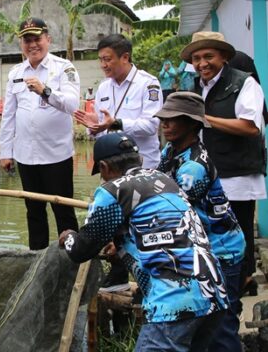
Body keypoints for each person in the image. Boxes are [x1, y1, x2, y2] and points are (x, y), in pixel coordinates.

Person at [59, 132, 227, 351]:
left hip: (175, 303)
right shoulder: (165, 180)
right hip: (214, 295)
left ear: (104, 167)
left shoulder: (113, 190)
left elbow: (82, 249)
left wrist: (69, 236)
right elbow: (161, 232)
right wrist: (119, 247)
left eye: (101, 173)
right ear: (139, 160)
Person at [155, 91, 245, 351]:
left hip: (221, 250)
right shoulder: (170, 150)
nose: (165, 124)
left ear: (193, 124)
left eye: (173, 119)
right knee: (204, 322)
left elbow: (172, 209)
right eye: (164, 118)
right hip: (201, 247)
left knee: (221, 327)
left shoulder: (193, 166)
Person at [73, 34, 163, 290]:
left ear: (125, 57)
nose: (103, 65)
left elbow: (153, 124)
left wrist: (117, 122)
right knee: (115, 222)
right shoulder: (104, 88)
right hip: (112, 169)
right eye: (100, 59)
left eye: (107, 59)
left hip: (142, 165)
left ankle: (151, 277)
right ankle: (119, 271)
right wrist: (94, 128)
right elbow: (103, 127)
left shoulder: (148, 84)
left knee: (144, 221)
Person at [181, 31, 267, 297]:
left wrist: (205, 118)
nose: (202, 63)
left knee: (238, 234)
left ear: (224, 57)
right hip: (208, 174)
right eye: (197, 58)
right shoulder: (196, 87)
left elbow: (251, 126)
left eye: (209, 56)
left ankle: (242, 286)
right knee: (209, 233)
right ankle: (219, 288)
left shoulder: (243, 83)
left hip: (237, 174)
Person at [0, 17, 81, 250]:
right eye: (27, 40)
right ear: (21, 44)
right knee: (34, 212)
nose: (32, 44)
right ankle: (37, 260)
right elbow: (9, 114)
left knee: (63, 211)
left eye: (37, 39)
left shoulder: (64, 68)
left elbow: (72, 104)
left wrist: (45, 91)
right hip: (26, 155)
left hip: (56, 155)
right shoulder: (16, 72)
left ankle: (71, 260)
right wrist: (6, 151)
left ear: (48, 39)